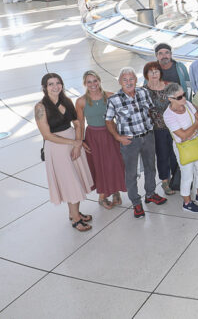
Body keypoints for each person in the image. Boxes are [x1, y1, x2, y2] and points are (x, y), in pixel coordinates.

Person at [105, 68, 168, 218]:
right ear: (120, 82)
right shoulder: (114, 99)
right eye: (125, 80)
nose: (129, 82)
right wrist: (118, 137)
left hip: (148, 136)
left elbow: (151, 110)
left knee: (150, 167)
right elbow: (108, 121)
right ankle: (136, 202)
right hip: (129, 142)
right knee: (131, 173)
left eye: (131, 79)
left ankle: (151, 193)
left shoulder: (143, 92)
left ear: (136, 80)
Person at [35, 73, 94, 231]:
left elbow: (77, 123)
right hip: (57, 148)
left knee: (76, 179)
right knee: (70, 182)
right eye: (51, 84)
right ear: (44, 87)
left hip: (72, 143)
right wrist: (73, 142)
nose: (55, 87)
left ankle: (74, 213)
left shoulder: (66, 101)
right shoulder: (41, 107)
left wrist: (78, 142)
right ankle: (76, 219)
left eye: (58, 83)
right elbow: (47, 135)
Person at [76, 71, 126, 210]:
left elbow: (122, 115)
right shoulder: (81, 101)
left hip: (111, 133)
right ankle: (102, 196)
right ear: (85, 84)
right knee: (100, 166)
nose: (93, 84)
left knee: (115, 163)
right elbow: (80, 123)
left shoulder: (110, 96)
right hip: (94, 137)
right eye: (89, 82)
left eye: (95, 80)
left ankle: (115, 191)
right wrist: (81, 141)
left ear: (99, 81)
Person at [163, 83, 198, 214]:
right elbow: (183, 135)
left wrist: (189, 132)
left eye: (184, 95)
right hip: (183, 148)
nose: (184, 99)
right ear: (170, 99)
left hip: (196, 143)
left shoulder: (188, 105)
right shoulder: (168, 115)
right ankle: (187, 202)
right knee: (187, 176)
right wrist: (192, 129)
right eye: (179, 97)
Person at [143, 62, 177, 197]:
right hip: (155, 129)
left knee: (175, 153)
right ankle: (165, 181)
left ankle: (177, 178)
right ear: (146, 75)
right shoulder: (143, 91)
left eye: (156, 71)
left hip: (172, 126)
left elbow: (179, 103)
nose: (154, 74)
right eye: (151, 72)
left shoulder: (169, 86)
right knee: (162, 156)